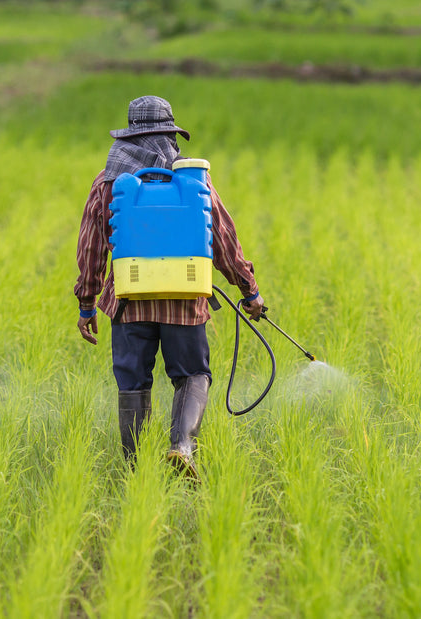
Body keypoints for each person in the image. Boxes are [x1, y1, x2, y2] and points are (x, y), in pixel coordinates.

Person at [74, 95, 265, 474]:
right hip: (184, 298)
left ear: (128, 137)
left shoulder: (108, 182)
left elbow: (91, 245)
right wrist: (249, 290)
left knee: (132, 382)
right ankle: (181, 446)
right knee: (193, 374)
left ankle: (136, 468)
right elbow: (222, 238)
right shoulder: (193, 180)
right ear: (170, 134)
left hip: (129, 301)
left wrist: (87, 302)